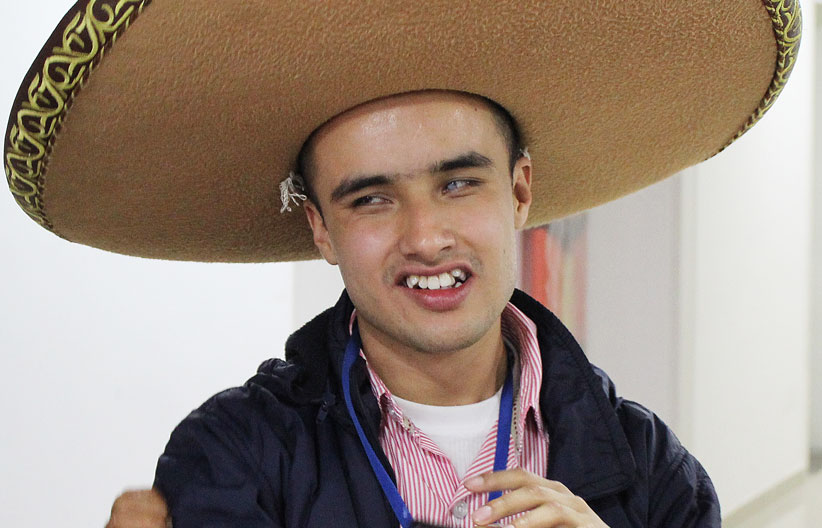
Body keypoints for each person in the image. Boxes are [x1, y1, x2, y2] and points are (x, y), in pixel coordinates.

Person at [3, 2, 800, 528]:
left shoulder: (654, 473)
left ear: (520, 191)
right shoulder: (235, 455)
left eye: (458, 183)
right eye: (371, 199)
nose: (425, 237)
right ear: (320, 228)